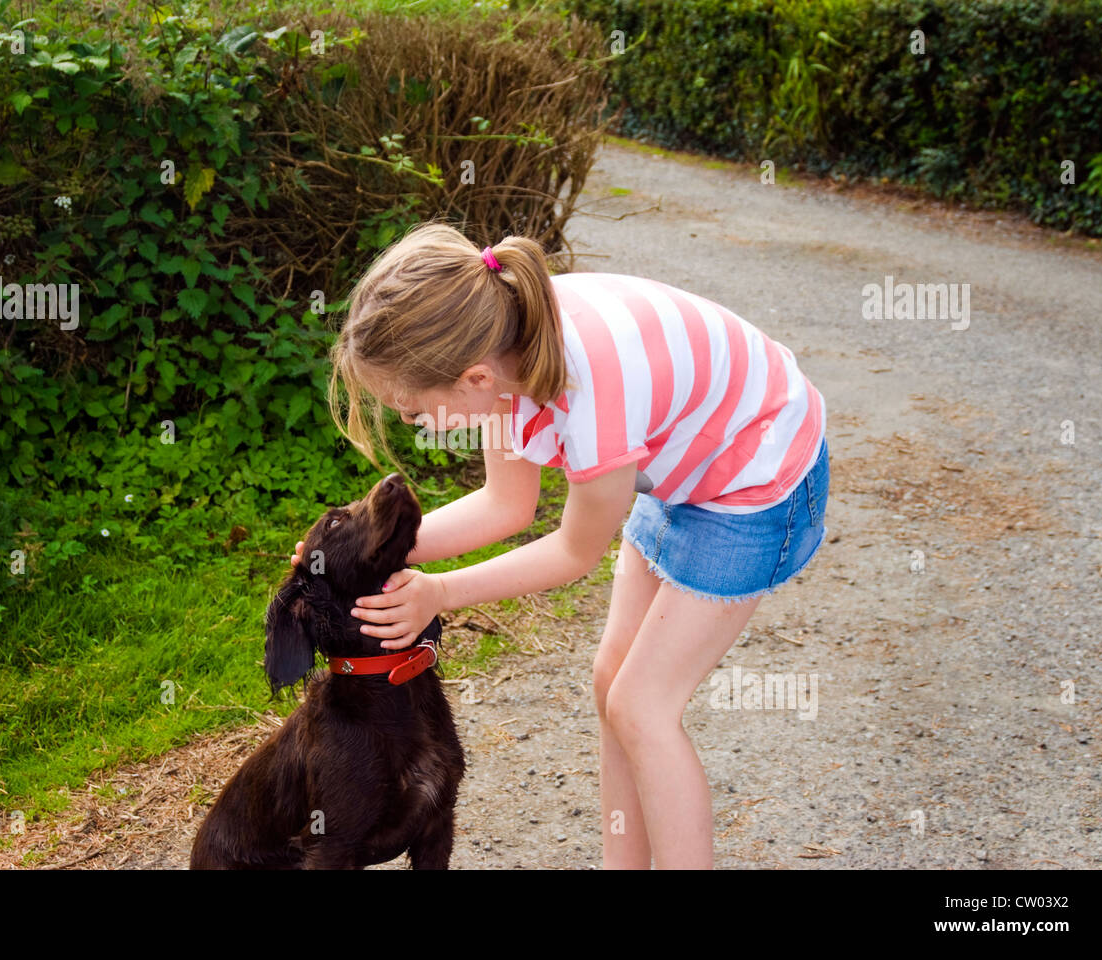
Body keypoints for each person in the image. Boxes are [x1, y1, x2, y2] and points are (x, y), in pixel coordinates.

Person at [291, 221, 829, 869]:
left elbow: (575, 553)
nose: (413, 425)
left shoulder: (590, 390)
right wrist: (370, 554)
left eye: (412, 411)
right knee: (612, 682)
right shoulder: (503, 345)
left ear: (474, 377)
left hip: (757, 476)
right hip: (688, 466)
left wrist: (441, 590)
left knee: (641, 706)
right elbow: (506, 505)